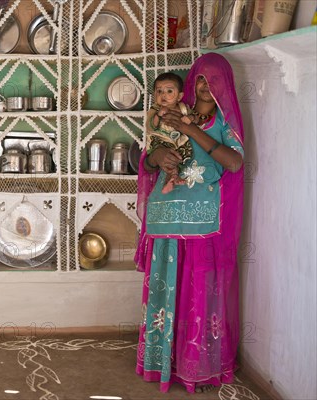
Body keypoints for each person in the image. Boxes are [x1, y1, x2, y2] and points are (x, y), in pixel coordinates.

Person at [135, 53, 245, 393]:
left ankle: (197, 366)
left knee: (200, 293)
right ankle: (160, 362)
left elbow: (235, 163)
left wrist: (191, 130)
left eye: (213, 80)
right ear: (191, 83)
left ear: (224, 86)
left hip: (203, 221)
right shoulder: (169, 114)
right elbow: (148, 156)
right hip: (166, 216)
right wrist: (156, 156)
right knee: (166, 290)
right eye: (199, 78)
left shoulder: (223, 123)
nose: (205, 86)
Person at [146, 72, 200, 194]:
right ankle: (169, 178)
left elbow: (196, 118)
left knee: (181, 155)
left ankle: (173, 177)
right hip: (160, 142)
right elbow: (150, 127)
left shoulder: (183, 108)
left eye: (169, 91)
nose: (163, 95)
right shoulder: (155, 109)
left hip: (178, 142)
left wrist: (191, 118)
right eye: (159, 91)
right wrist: (158, 116)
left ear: (179, 96)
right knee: (167, 158)